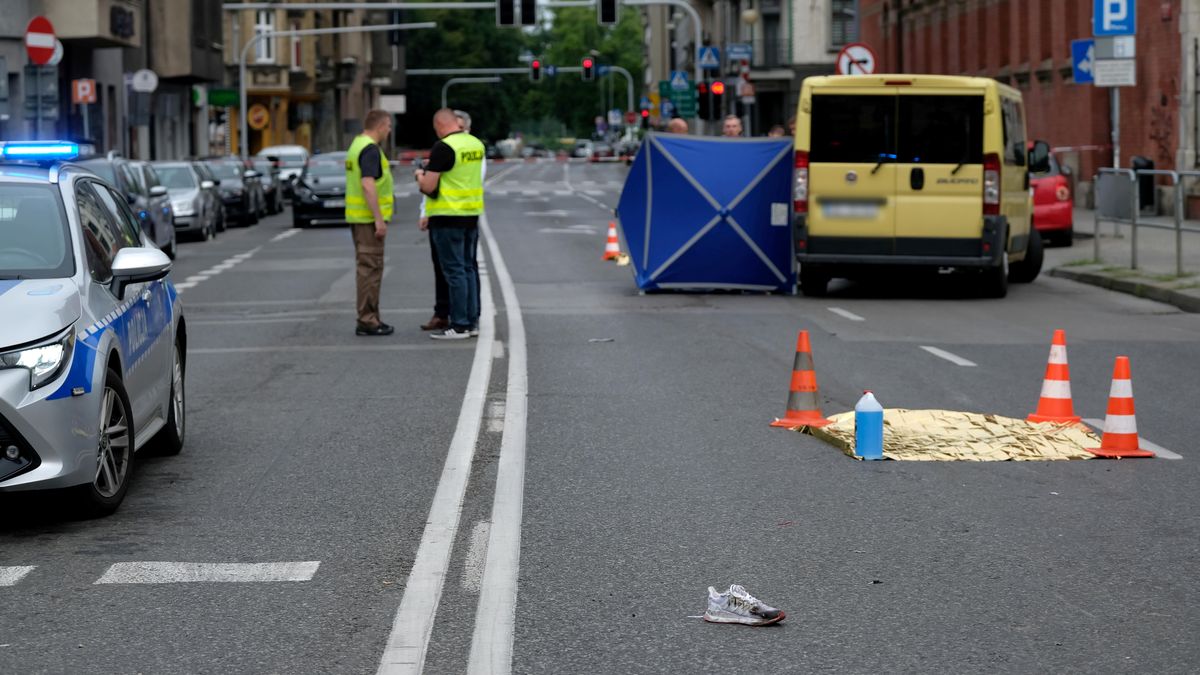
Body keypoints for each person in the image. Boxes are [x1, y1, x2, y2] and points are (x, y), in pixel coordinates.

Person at [415, 108, 486, 340]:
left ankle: (459, 324)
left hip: (447, 216)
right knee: (468, 268)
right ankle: (472, 320)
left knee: (454, 271)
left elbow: (428, 186)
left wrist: (419, 175)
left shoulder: (444, 147)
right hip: (471, 214)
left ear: (438, 125)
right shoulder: (475, 144)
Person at [344, 110, 394, 336]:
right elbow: (367, 184)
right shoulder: (370, 150)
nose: (390, 131)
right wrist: (378, 219)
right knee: (370, 270)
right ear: (381, 126)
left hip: (358, 218)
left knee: (367, 268)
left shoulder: (356, 145)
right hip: (367, 220)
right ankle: (368, 320)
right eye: (389, 126)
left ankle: (370, 317)